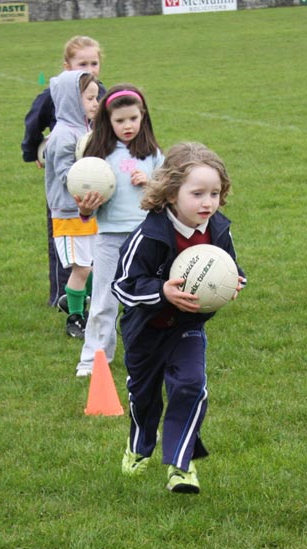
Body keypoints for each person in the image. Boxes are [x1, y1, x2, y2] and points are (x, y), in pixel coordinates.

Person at [111, 142, 246, 494]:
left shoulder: (217, 230)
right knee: (145, 400)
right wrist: (162, 292)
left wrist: (233, 283)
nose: (208, 202)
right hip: (146, 332)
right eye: (198, 193)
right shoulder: (147, 237)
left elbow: (230, 267)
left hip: (186, 328)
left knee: (190, 386)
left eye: (215, 193)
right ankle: (139, 447)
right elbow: (123, 286)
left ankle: (181, 467)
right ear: (171, 192)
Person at [75, 84, 164, 376]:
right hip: (109, 240)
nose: (128, 126)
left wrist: (150, 182)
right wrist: (86, 209)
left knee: (148, 299)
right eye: (120, 120)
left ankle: (152, 354)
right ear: (107, 121)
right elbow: (86, 210)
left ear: (143, 117)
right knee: (103, 300)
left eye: (133, 119)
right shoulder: (97, 156)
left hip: (146, 238)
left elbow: (168, 195)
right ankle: (93, 360)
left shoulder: (152, 154)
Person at [21, 35, 106, 307]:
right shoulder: (53, 94)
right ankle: (61, 294)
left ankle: (90, 294)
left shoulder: (100, 93)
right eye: (83, 63)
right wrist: (34, 150)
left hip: (92, 181)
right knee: (63, 241)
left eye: (94, 63)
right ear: (67, 66)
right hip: (63, 180)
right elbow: (34, 123)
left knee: (91, 242)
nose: (90, 69)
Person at [45, 70, 106, 338]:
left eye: (96, 98)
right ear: (71, 100)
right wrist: (92, 182)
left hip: (88, 209)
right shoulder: (62, 136)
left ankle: (71, 300)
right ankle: (75, 319)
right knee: (82, 268)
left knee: (93, 265)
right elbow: (66, 174)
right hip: (69, 213)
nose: (95, 103)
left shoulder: (87, 129)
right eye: (90, 98)